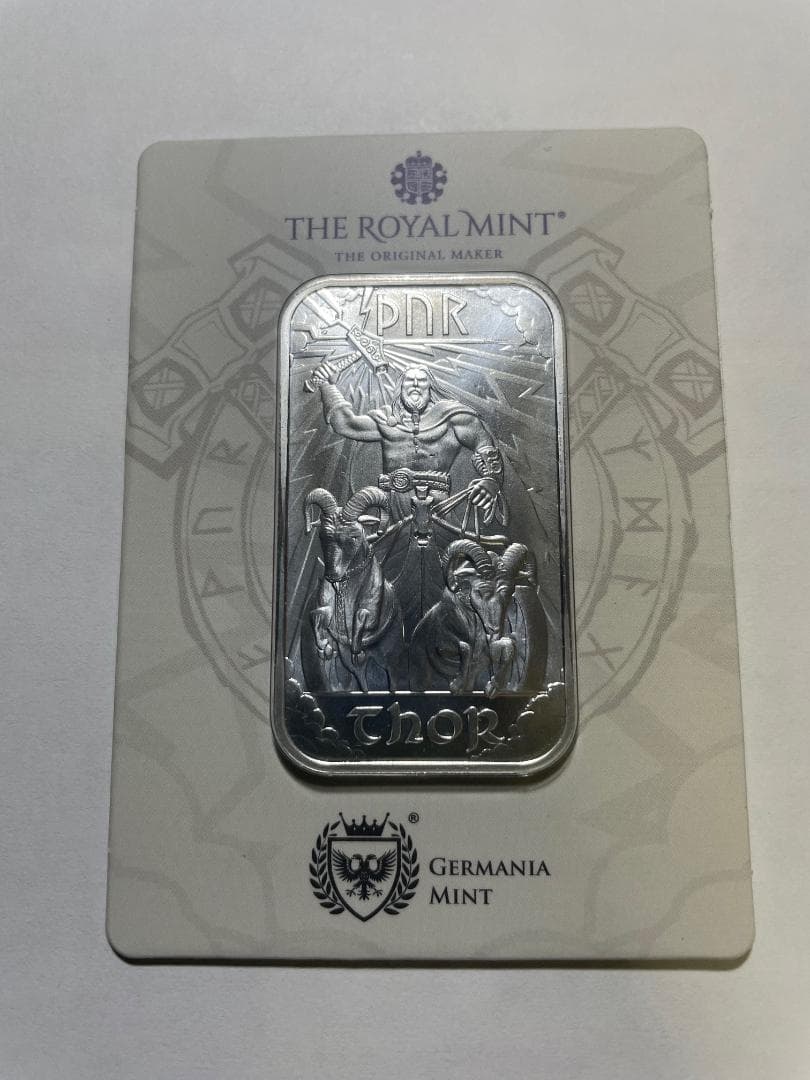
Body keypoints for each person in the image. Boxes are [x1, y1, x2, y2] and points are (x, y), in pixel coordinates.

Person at [311, 361, 506, 633]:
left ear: (431, 387)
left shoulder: (453, 417)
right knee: (376, 568)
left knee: (457, 568)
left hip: (439, 506)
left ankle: (464, 630)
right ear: (400, 388)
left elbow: (484, 444)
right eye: (408, 381)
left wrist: (491, 480)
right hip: (393, 506)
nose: (415, 385)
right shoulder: (386, 420)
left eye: (421, 381)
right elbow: (345, 424)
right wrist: (328, 385)